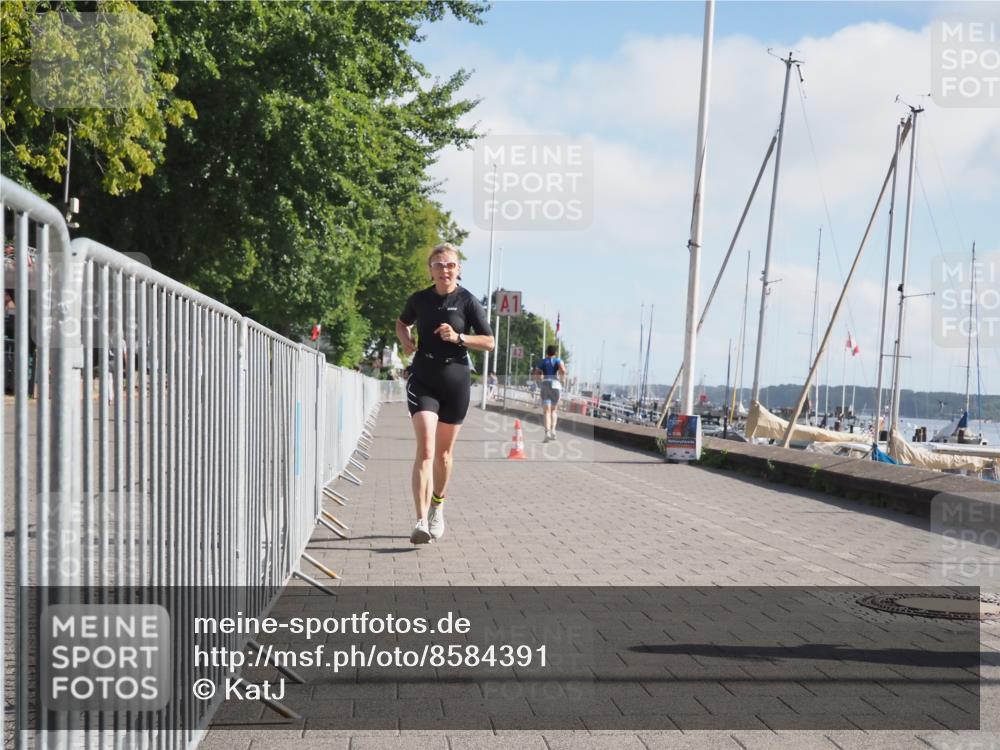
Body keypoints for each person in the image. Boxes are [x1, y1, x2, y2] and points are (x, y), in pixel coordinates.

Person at [395, 243, 494, 544]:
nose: (444, 269)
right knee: (425, 450)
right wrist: (406, 339)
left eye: (450, 264)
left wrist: (459, 337)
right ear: (431, 269)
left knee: (444, 454)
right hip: (423, 377)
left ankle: (438, 506)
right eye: (438, 265)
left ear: (458, 269)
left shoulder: (468, 301)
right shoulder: (420, 299)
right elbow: (402, 322)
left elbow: (489, 342)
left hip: (456, 381)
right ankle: (420, 520)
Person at [532, 345, 566, 442]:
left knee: (547, 411)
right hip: (556, 385)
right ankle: (553, 430)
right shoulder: (558, 360)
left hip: (546, 384)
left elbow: (536, 374)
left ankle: (547, 433)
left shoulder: (542, 361)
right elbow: (563, 370)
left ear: (547, 352)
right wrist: (562, 379)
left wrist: (539, 377)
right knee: (554, 411)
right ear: (555, 353)